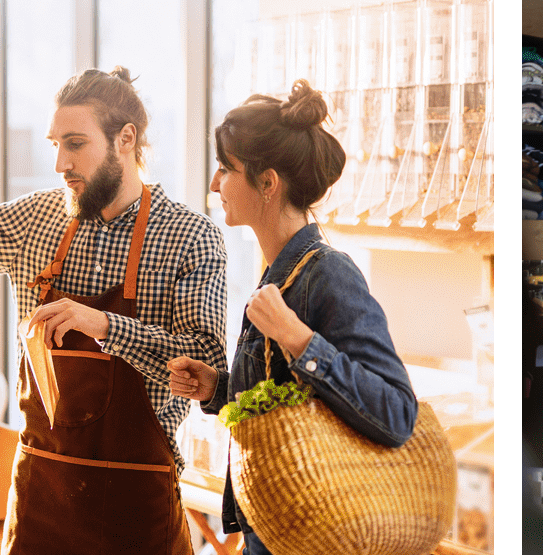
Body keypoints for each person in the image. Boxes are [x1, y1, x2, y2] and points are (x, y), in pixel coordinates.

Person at [0, 67, 225, 555]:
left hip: (136, 507)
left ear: (126, 139)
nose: (60, 163)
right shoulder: (37, 219)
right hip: (42, 501)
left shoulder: (191, 236)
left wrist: (103, 325)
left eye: (75, 144)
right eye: (55, 143)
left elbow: (204, 362)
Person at [164, 80, 421, 555]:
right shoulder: (276, 275)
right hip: (274, 533)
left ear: (267, 182)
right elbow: (291, 403)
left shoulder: (329, 274)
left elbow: (398, 414)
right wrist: (216, 388)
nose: (214, 184)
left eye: (225, 169)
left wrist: (297, 339)